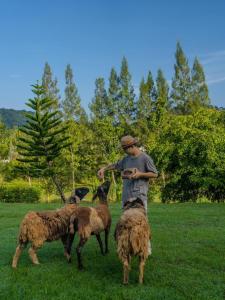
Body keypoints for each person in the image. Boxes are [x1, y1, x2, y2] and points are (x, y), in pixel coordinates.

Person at [97, 135, 158, 211]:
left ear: (131, 146)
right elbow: (116, 165)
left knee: (139, 221)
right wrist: (104, 169)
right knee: (126, 221)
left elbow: (155, 174)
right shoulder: (126, 159)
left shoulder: (145, 158)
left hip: (139, 198)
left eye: (124, 149)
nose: (124, 151)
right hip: (126, 197)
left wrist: (140, 174)